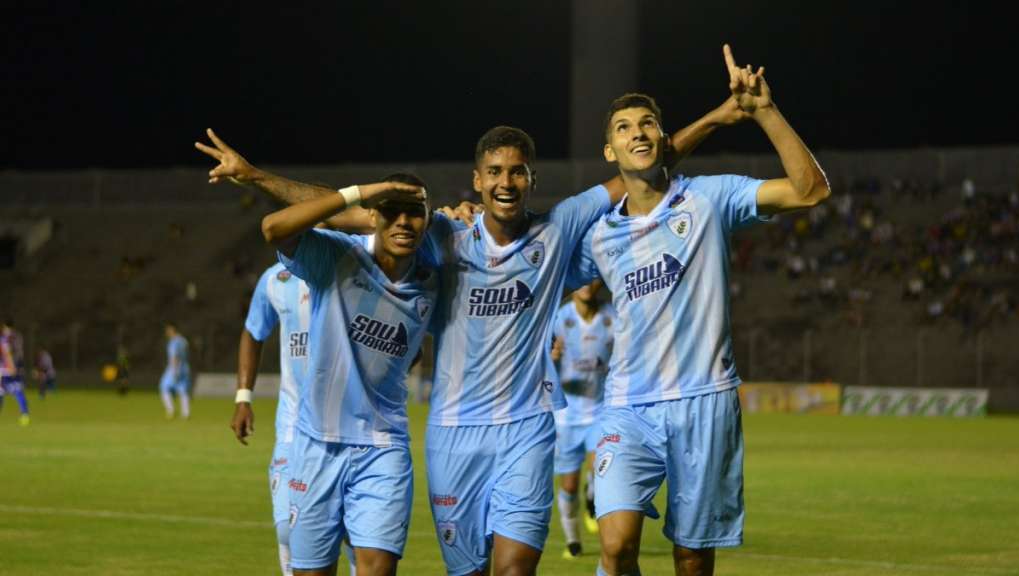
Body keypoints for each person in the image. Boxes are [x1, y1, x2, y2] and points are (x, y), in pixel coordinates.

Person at [196, 98, 744, 574]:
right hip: (454, 433)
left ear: (533, 179)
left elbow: (640, 163)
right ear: (477, 181)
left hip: (527, 430)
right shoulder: (441, 234)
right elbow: (353, 215)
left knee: (513, 568)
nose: (507, 182)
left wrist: (717, 119)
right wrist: (255, 176)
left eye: (518, 172)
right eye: (495, 172)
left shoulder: (558, 230)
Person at [569, 45, 831, 575]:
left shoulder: (710, 199)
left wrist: (764, 112)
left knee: (691, 559)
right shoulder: (597, 236)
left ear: (662, 140)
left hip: (705, 401)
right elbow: (527, 263)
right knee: (616, 548)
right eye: (623, 127)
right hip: (627, 406)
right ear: (608, 151)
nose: (637, 133)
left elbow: (810, 191)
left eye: (647, 124)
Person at [261, 173, 436, 576]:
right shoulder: (338, 257)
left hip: (383, 446)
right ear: (372, 215)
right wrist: (363, 193)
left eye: (415, 213)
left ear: (427, 220)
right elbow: (273, 228)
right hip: (316, 445)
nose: (404, 223)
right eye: (392, 211)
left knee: (377, 569)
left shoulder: (435, 276)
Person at [232, 262, 313, 576]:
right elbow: (253, 332)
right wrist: (243, 397)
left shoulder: (356, 266)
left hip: (347, 428)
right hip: (293, 425)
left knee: (349, 538)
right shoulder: (275, 279)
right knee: (287, 530)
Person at [550, 279, 614, 559]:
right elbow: (538, 365)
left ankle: (594, 497)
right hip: (566, 416)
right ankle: (573, 542)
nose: (587, 284)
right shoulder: (558, 319)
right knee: (569, 485)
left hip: (601, 411)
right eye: (581, 278)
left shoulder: (614, 316)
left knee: (602, 473)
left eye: (593, 277)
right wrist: (550, 359)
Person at [0, 319, 30, 426]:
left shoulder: (6, 339)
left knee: (13, 392)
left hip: (8, 369)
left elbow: (8, 354)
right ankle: (25, 414)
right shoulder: (17, 337)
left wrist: (12, 366)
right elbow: (18, 355)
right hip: (9, 369)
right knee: (14, 392)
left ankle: (25, 415)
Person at [159, 323, 191, 419]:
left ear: (172, 330)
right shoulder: (184, 340)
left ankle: (170, 410)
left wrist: (174, 371)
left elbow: (174, 357)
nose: (166, 333)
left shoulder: (173, 342)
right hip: (185, 367)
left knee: (163, 387)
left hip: (175, 368)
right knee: (183, 390)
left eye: (168, 331)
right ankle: (186, 413)